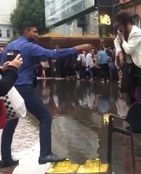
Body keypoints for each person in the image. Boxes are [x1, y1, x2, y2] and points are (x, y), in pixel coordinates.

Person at [1, 22, 93, 165]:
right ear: (26, 32)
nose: (37, 34)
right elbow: (52, 54)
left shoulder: (9, 46)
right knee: (45, 117)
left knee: (11, 123)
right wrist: (76, 49)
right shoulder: (29, 46)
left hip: (10, 89)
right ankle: (45, 154)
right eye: (35, 31)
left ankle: (6, 159)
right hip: (24, 88)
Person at [114, 11, 141, 103]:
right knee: (130, 93)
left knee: (139, 95)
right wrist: (119, 52)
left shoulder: (136, 32)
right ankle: (136, 113)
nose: (119, 28)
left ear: (127, 23)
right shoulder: (123, 32)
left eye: (120, 25)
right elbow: (116, 42)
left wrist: (122, 39)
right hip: (134, 65)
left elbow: (129, 50)